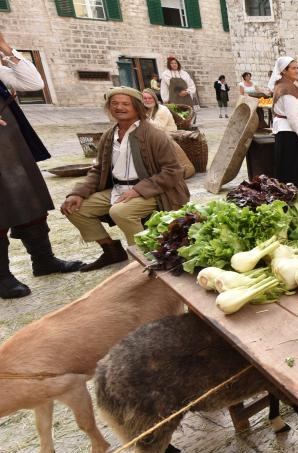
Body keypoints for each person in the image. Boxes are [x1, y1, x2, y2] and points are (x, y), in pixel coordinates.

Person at [60, 87, 190, 272]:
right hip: (119, 189)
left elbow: (173, 171)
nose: (119, 107)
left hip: (155, 192)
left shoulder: (154, 135)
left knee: (121, 212)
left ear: (137, 108)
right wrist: (78, 193)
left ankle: (143, 259)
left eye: (125, 104)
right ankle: (111, 250)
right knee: (74, 209)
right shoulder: (108, 136)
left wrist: (138, 190)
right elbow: (98, 170)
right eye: (114, 104)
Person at [0, 33, 83, 298]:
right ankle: (2, 277)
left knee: (31, 201)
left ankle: (44, 261)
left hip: (11, 144)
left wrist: (6, 49)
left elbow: (33, 82)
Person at [268, 56, 298, 194]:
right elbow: (292, 118)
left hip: (291, 133)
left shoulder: (287, 86)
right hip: (291, 135)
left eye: (297, 68)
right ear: (284, 71)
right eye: (293, 68)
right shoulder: (286, 90)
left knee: (293, 169)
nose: (297, 71)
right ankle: (297, 198)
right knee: (295, 171)